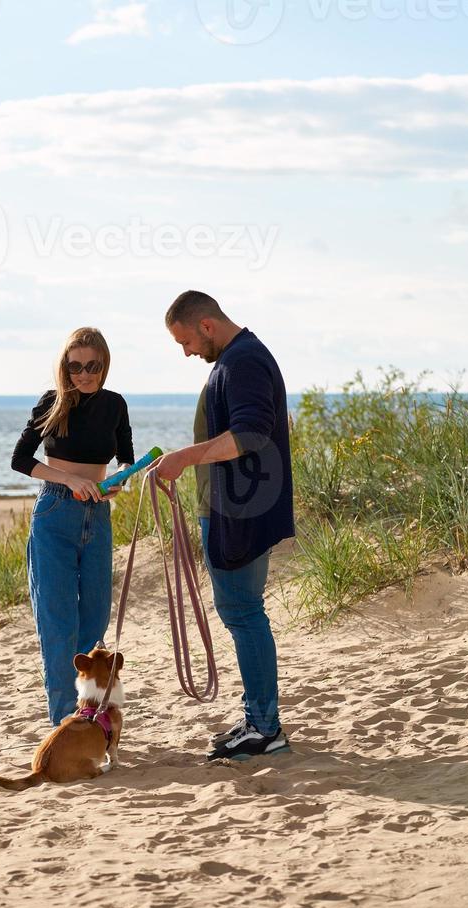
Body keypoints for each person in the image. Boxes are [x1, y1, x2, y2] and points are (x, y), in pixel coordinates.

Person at [149, 291, 294, 761]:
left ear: (207, 325)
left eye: (186, 341)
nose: (186, 352)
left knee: (243, 613)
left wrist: (183, 458)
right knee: (243, 613)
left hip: (241, 511)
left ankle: (264, 727)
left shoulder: (243, 361)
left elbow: (252, 432)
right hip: (234, 506)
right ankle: (259, 720)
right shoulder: (234, 360)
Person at [11, 328, 134, 727]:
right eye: (75, 366)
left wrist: (117, 481)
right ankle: (65, 723)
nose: (83, 374)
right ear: (65, 367)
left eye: (91, 366)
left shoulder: (115, 404)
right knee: (59, 623)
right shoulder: (53, 403)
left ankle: (88, 714)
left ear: (104, 365)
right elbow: (20, 459)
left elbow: (126, 459)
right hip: (56, 513)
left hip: (97, 515)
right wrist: (68, 480)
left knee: (95, 619)